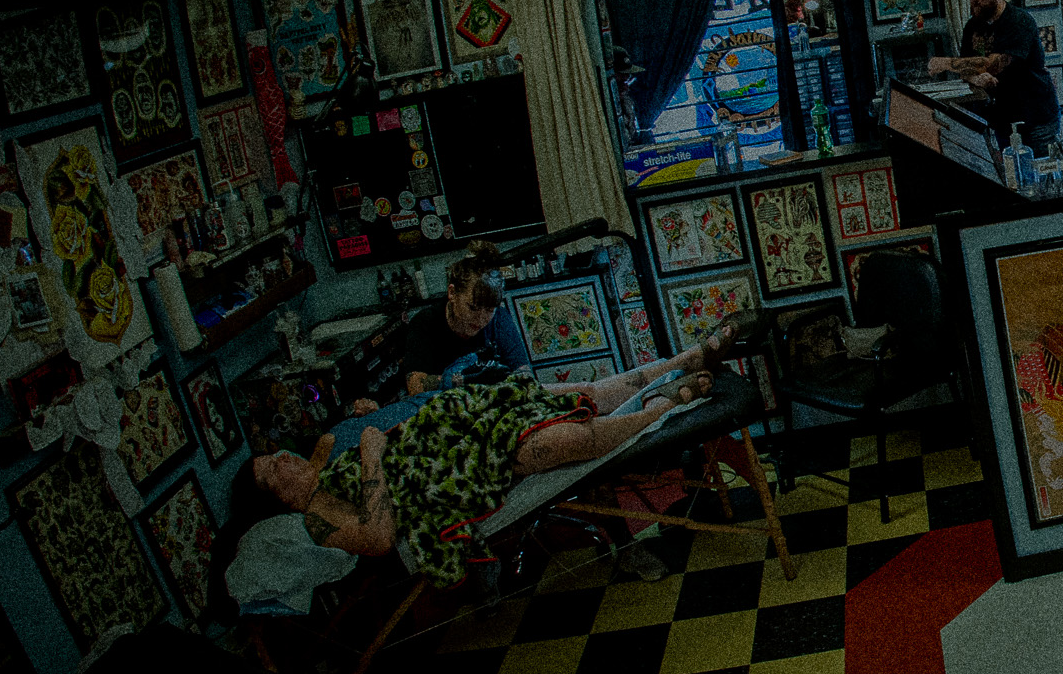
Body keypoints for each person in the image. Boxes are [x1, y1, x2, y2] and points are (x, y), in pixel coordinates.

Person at [228, 319, 765, 589]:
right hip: (448, 469)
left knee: (570, 394)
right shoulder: (319, 517)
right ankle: (663, 406)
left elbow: (348, 431)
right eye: (273, 472)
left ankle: (684, 359)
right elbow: (377, 537)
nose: (283, 459)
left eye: (276, 456)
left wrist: (361, 416)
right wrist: (371, 455)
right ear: (279, 502)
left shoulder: (320, 456)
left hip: (444, 424)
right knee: (554, 443)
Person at [353, 242, 528, 410]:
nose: (481, 319)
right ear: (452, 293)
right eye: (472, 307)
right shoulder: (425, 323)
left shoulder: (499, 318)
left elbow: (524, 374)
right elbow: (415, 385)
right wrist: (468, 379)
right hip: (446, 410)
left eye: (489, 310)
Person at [925, 0, 1059, 154]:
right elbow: (966, 68)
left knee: (1039, 167)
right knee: (1010, 168)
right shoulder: (972, 26)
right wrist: (976, 78)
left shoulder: (1019, 21)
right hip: (1002, 118)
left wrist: (946, 63)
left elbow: (994, 64)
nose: (974, 1)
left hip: (1036, 116)